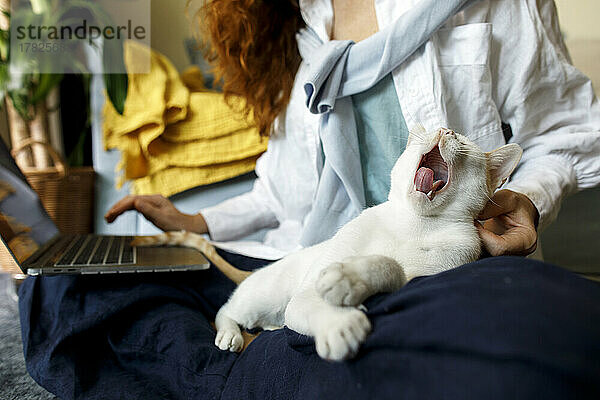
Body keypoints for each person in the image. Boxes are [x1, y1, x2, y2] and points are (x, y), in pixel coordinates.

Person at [19, 1, 600, 399]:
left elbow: (566, 133)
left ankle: (253, 369)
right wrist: (193, 220)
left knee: (532, 355)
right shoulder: (299, 27)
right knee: (63, 284)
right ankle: (271, 365)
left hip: (435, 271)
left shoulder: (495, 5)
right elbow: (283, 190)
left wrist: (527, 197)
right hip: (305, 258)